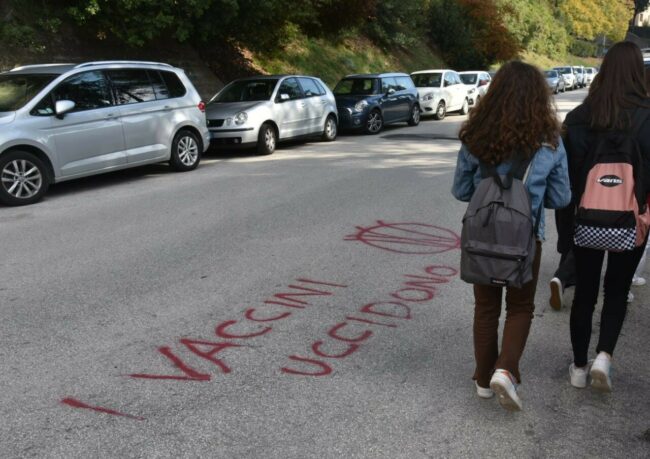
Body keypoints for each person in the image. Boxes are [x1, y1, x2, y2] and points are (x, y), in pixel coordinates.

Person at [452, 61, 571, 411]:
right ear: (539, 98)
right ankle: (505, 369)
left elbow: (461, 190)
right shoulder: (549, 142)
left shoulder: (475, 137)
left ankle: (482, 378)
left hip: (482, 239)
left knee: (486, 307)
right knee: (520, 307)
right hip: (524, 240)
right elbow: (561, 198)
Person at [564, 41, 650, 392]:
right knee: (617, 290)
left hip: (585, 219)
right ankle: (604, 356)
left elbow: (568, 177)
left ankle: (580, 367)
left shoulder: (580, 117)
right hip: (629, 219)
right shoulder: (647, 115)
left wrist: (564, 227)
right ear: (637, 73)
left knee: (585, 291)